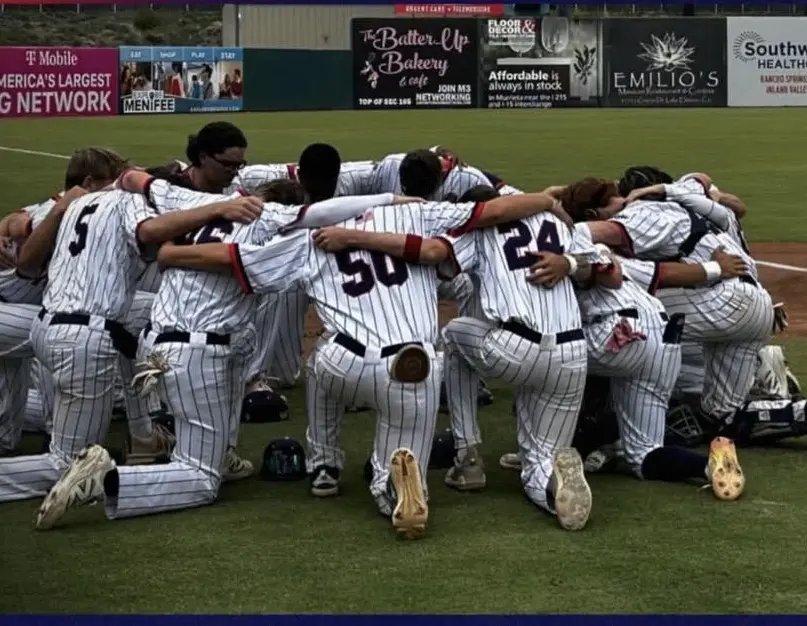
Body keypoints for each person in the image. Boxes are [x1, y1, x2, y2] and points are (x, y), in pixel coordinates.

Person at [38, 191, 568, 539]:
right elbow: (445, 246)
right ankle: (397, 484)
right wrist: (550, 198)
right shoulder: (419, 217)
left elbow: (240, 264)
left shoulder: (309, 240)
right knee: (407, 419)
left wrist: (172, 255)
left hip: (343, 359)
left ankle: (324, 464)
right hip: (414, 362)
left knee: (319, 370)